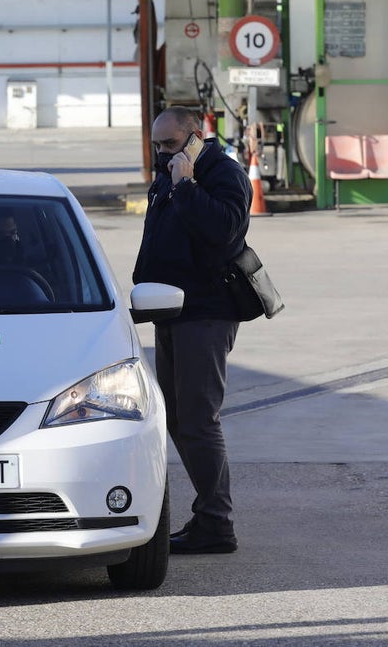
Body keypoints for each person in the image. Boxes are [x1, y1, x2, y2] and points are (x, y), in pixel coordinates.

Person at [132, 105, 253, 555]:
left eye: (170, 143)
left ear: (195, 136)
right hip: (169, 310)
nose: (163, 153)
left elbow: (225, 232)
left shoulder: (223, 174)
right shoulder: (169, 174)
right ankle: (210, 514)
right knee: (178, 418)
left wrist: (186, 187)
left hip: (206, 312)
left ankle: (217, 524)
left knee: (199, 418)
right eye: (157, 146)